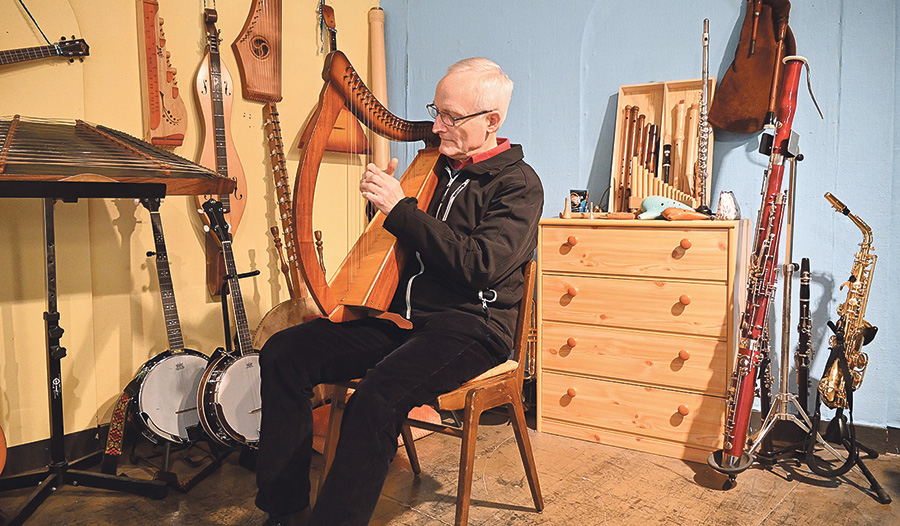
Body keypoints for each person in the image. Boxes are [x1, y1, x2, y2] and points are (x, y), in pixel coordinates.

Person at [256, 57, 543, 526]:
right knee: (285, 353)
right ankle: (285, 510)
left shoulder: (518, 185)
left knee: (377, 396)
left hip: (472, 328)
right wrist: (382, 209)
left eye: (451, 117)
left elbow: (479, 265)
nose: (436, 126)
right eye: (436, 111)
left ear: (492, 122)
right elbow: (413, 243)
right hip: (408, 322)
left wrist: (401, 210)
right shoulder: (437, 169)